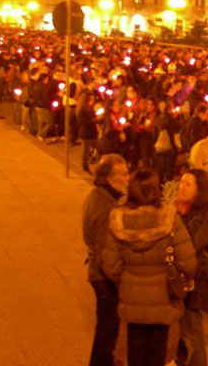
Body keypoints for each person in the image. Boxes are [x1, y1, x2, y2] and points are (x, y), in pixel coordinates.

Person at [101, 169, 197, 366]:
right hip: (163, 299)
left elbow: (110, 265)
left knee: (134, 350)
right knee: (158, 353)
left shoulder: (118, 221)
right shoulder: (170, 219)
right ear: (155, 190)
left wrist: (126, 278)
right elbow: (189, 262)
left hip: (132, 299)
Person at [82, 154, 129, 366]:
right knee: (107, 330)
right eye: (124, 174)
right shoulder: (104, 208)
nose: (128, 178)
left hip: (99, 273)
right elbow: (105, 256)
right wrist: (120, 280)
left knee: (106, 327)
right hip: (103, 278)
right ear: (110, 179)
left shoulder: (101, 196)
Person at [174, 169, 208, 366]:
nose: (181, 187)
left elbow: (191, 248)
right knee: (181, 330)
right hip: (180, 280)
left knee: (192, 332)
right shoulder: (179, 210)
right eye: (181, 182)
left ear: (199, 190)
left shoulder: (206, 217)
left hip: (196, 281)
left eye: (187, 184)